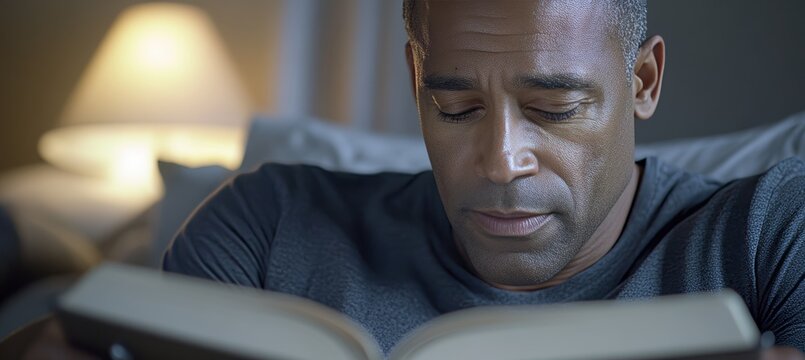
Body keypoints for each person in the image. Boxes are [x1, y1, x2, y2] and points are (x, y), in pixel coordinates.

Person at [11, 0, 804, 359]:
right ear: (414, 72)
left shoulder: (773, 233)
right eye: (454, 107)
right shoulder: (264, 225)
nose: (499, 163)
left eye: (553, 108)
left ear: (642, 79)